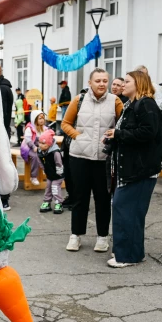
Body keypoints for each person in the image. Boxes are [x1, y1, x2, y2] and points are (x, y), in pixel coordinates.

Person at [61, 68, 123, 252]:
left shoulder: (115, 101)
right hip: (79, 157)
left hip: (104, 158)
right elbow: (65, 123)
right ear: (90, 83)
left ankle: (102, 237)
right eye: (98, 81)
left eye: (105, 80)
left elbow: (123, 124)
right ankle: (76, 235)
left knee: (103, 199)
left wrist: (115, 136)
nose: (102, 84)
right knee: (79, 197)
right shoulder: (79, 100)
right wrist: (78, 136)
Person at [104, 71, 161, 268]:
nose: (122, 85)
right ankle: (134, 253)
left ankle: (126, 256)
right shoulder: (132, 104)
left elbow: (148, 132)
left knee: (124, 210)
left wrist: (118, 134)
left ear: (139, 83)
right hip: (133, 169)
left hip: (140, 170)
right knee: (131, 212)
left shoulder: (145, 103)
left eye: (127, 82)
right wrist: (114, 136)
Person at [0, 64, 14, 210]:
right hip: (2, 130)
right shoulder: (4, 87)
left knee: (0, 163)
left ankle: (4, 198)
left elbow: (1, 114)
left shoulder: (1, 89)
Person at [37, 129, 64, 214]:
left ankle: (58, 203)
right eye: (40, 143)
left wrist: (59, 173)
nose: (40, 145)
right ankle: (47, 201)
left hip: (57, 174)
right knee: (48, 187)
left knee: (55, 187)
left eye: (43, 143)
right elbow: (40, 162)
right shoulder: (40, 152)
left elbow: (59, 163)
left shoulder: (55, 152)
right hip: (49, 173)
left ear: (49, 143)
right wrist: (45, 170)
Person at [23, 110, 47, 186]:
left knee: (52, 154)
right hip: (29, 147)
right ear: (35, 119)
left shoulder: (45, 128)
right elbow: (28, 140)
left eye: (43, 118)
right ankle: (33, 176)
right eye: (40, 118)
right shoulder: (30, 128)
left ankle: (49, 173)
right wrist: (33, 147)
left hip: (40, 147)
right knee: (35, 156)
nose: (42, 120)